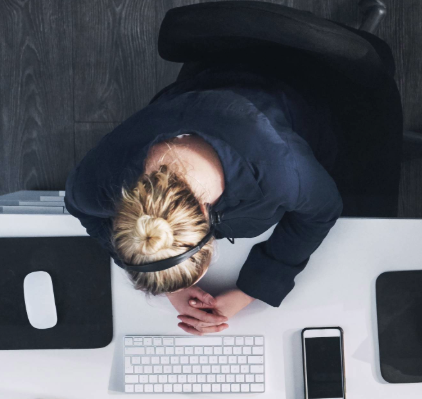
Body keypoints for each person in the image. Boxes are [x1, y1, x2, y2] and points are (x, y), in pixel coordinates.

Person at [66, 62, 343, 336]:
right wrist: (173, 288)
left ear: (206, 216)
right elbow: (80, 207)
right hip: (194, 91)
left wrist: (251, 290)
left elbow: (322, 210)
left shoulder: (280, 173)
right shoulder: (97, 184)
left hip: (291, 92)